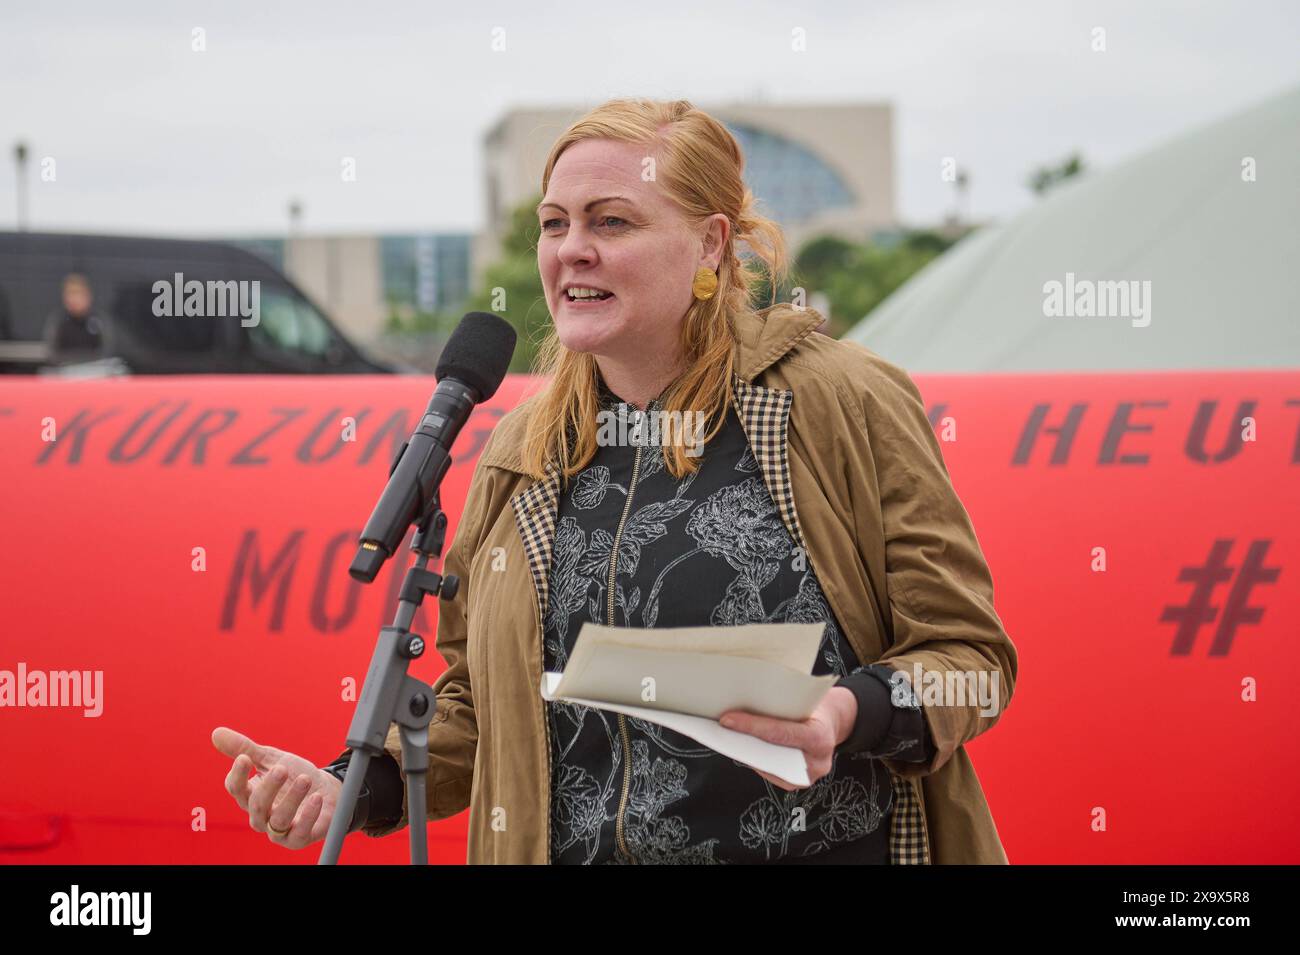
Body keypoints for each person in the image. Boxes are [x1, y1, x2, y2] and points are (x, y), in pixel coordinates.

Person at [213, 97, 1017, 864]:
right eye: (554, 223)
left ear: (710, 244)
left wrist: (845, 712)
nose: (571, 249)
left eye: (611, 221)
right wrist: (351, 786)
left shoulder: (843, 402)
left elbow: (971, 660)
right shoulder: (522, 450)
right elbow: (481, 708)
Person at [42, 273, 110, 361]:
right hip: (64, 368)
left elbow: (106, 351)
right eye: (70, 295)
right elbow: (51, 352)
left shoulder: (98, 321)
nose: (74, 299)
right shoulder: (58, 321)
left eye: (78, 294)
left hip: (94, 368)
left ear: (88, 296)